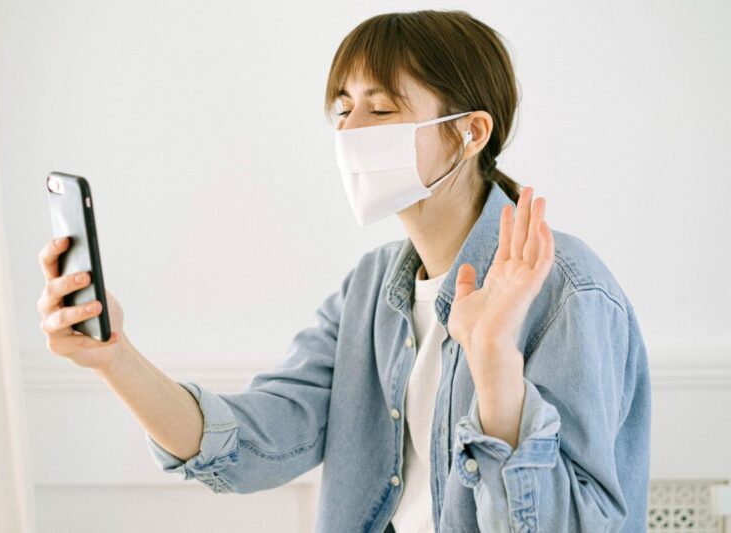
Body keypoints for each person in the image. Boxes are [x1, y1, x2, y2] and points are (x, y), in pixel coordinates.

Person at [37, 9, 651, 533]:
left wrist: (494, 363)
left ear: (470, 132)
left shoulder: (570, 292)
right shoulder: (370, 289)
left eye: (379, 109)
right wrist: (113, 355)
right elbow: (257, 442)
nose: (349, 132)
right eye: (342, 108)